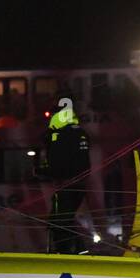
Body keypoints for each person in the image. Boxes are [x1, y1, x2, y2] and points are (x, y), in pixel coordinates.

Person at [41, 104, 90, 254]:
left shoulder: (60, 136)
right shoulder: (80, 134)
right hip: (79, 185)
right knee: (64, 220)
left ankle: (66, 251)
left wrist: (43, 171)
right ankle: (79, 251)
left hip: (67, 185)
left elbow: (57, 164)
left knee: (59, 221)